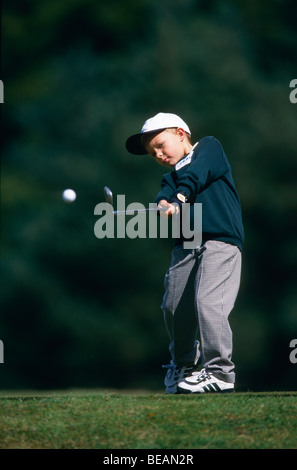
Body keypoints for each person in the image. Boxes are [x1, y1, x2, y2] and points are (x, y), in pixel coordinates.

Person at [126, 113, 244, 394]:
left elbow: (196, 174)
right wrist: (163, 203)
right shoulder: (172, 177)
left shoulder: (209, 148)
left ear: (180, 134)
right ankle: (185, 367)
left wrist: (179, 197)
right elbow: (165, 192)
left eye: (160, 144)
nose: (157, 154)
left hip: (220, 240)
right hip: (186, 245)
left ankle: (220, 372)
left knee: (208, 302)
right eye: (152, 152)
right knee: (173, 306)